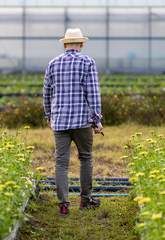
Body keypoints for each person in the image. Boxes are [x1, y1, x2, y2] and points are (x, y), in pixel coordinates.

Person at [43, 28, 103, 216]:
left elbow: (46, 93)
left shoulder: (53, 63)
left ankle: (63, 205)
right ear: (82, 45)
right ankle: (85, 201)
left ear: (64, 44)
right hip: (82, 122)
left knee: (61, 163)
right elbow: (93, 93)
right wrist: (96, 120)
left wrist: (48, 116)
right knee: (85, 158)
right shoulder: (87, 62)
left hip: (59, 121)